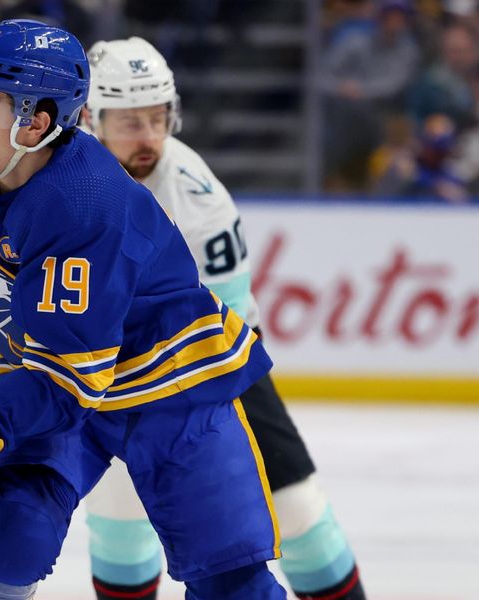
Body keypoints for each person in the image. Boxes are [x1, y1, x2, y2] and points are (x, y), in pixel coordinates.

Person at [0, 19, 286, 599]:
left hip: (172, 381)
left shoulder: (84, 204)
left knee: (233, 580)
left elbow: (70, 378)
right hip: (58, 373)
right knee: (11, 540)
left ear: (37, 121)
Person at [81, 37, 367, 600]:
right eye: (129, 122)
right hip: (110, 370)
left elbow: (228, 334)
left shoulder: (195, 199)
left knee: (299, 512)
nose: (148, 138)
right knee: (118, 521)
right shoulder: (61, 170)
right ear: (90, 119)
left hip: (213, 367)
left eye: (157, 119)